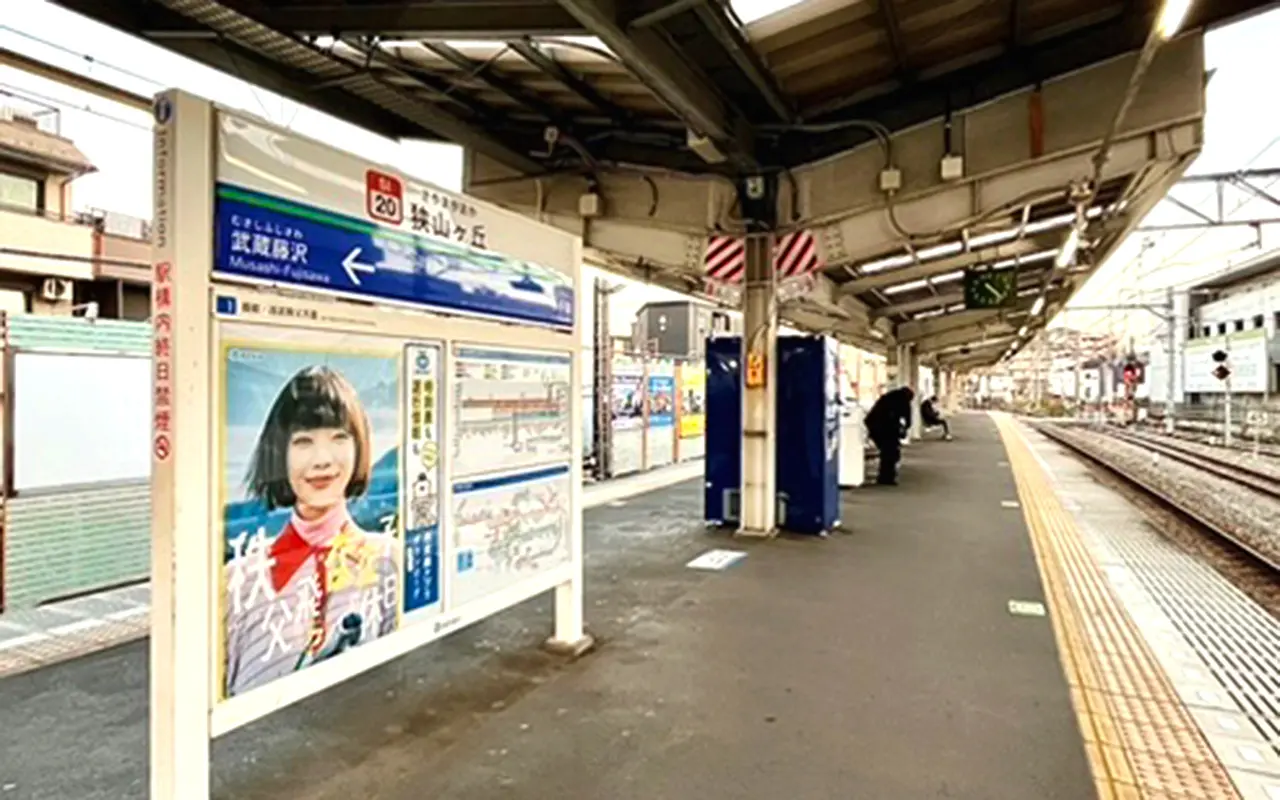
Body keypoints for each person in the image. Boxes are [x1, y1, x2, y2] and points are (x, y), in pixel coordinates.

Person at [223, 365, 398, 697]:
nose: (322, 459)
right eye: (303, 441)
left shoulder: (389, 559)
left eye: (339, 438)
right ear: (279, 454)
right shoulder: (237, 582)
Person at [865, 386, 914, 485]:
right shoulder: (903, 401)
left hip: (875, 426)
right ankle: (886, 477)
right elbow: (908, 420)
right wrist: (903, 430)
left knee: (887, 452)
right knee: (890, 453)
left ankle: (885, 476)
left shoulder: (887, 398)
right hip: (885, 428)